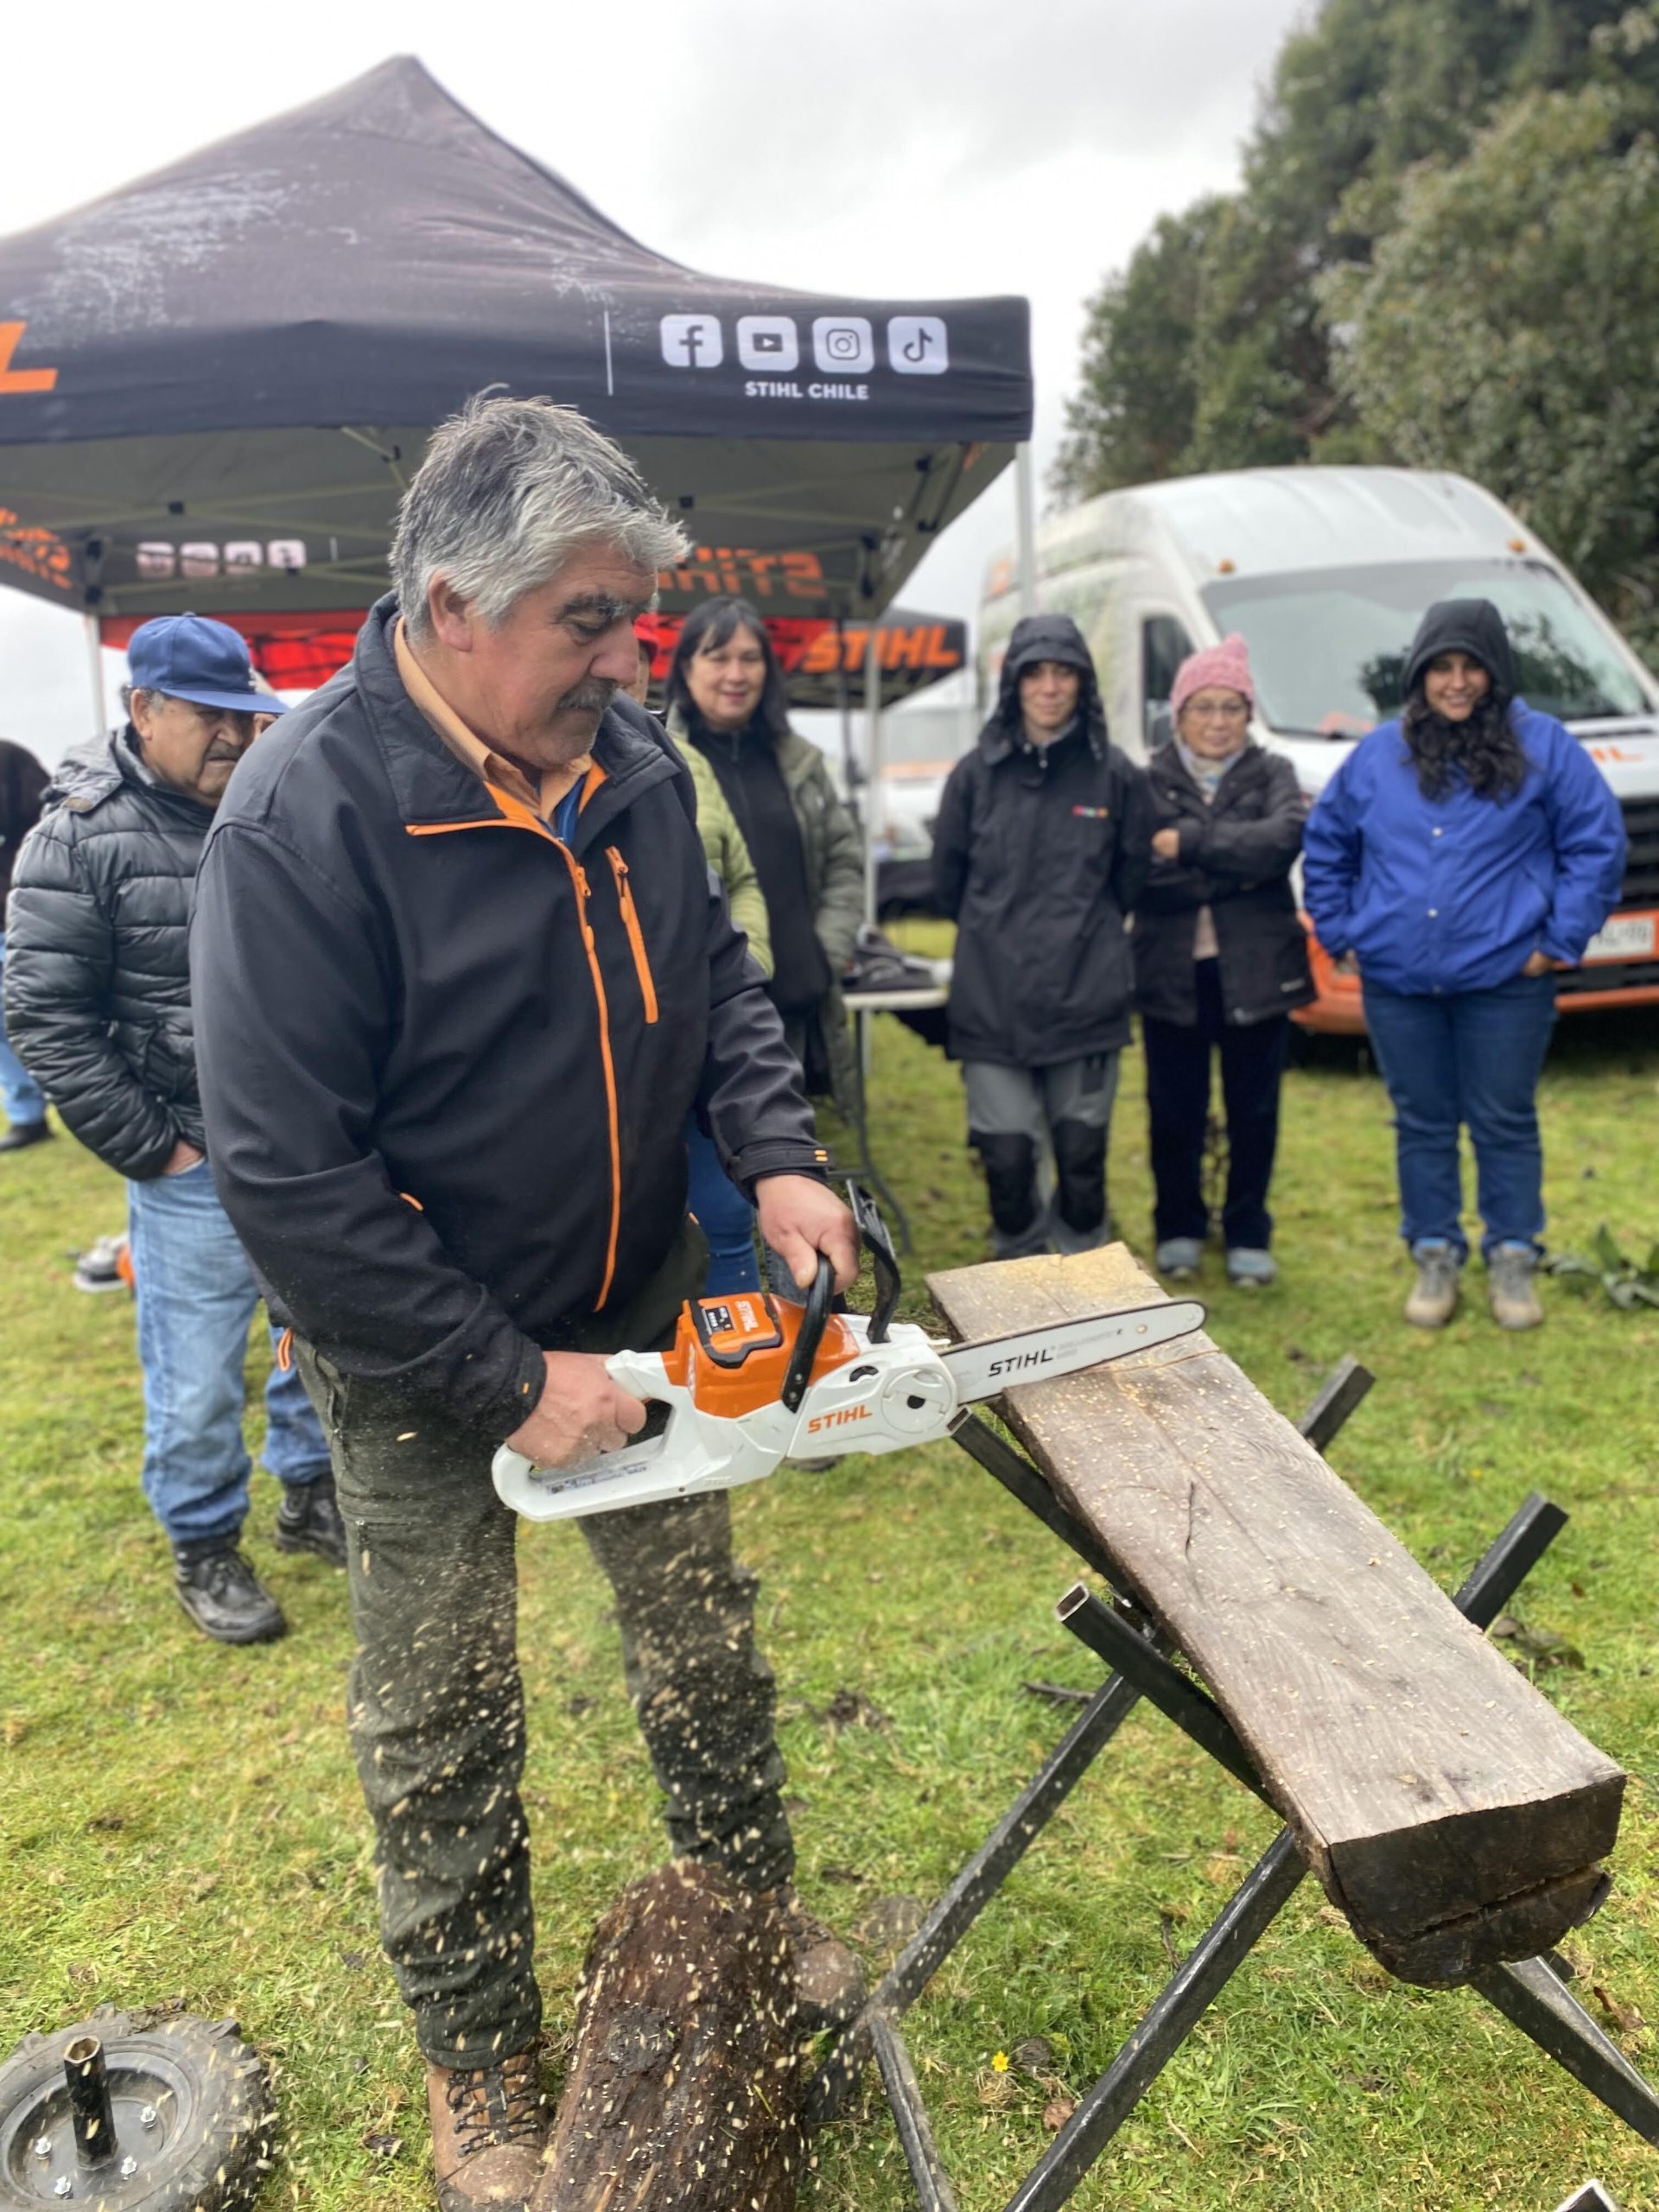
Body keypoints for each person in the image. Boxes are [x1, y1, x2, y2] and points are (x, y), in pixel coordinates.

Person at [188, 395, 862, 2212]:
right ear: (448, 603)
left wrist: (779, 1151)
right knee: (442, 1704)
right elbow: (287, 1176)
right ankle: (480, 2058)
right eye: (588, 618)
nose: (624, 654)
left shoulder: (629, 756)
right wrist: (506, 1377)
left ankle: (750, 1904)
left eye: (633, 618)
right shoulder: (299, 820)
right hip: (425, 1351)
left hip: (643, 1293)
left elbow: (718, 976)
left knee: (699, 1640)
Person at [3, 618, 338, 1643]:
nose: (235, 737)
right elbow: (44, 1017)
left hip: (305, 1150)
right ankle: (203, 1542)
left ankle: (309, 1492)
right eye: (209, 717)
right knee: (194, 1375)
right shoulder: (75, 836)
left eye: (244, 714)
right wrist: (158, 1148)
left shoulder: (279, 805)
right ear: (144, 709)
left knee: (315, 1343)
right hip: (188, 1163)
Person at [1304, 598, 1625, 1331]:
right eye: (1440, 667)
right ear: (1419, 676)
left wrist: (1557, 941)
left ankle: (1513, 1256)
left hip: (1507, 980)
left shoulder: (1546, 746)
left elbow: (1596, 846)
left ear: (1495, 672)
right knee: (1421, 1121)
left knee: (1504, 1120)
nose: (1456, 682)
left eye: (1470, 666)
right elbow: (1327, 844)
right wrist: (1342, 929)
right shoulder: (1377, 755)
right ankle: (1435, 1252)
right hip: (1398, 981)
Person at [932, 613, 1153, 1256]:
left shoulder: (1116, 775)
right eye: (1037, 673)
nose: (1051, 688)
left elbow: (1130, 877)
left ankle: (1085, 1274)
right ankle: (1018, 1265)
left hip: (1087, 998)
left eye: (1065, 673)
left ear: (1083, 684)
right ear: (1015, 684)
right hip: (991, 1001)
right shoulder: (973, 776)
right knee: (1005, 1157)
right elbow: (948, 884)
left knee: (1082, 1156)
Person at [1133, 634, 1313, 1287]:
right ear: (1178, 714)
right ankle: (1177, 1227)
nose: (1216, 721)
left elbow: (1280, 843)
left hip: (1258, 971)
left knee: (1254, 1112)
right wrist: (1234, 869)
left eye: (1230, 707)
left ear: (1247, 714)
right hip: (1168, 973)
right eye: (1202, 707)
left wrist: (1187, 844)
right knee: (1173, 1111)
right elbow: (1140, 872)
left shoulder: (1274, 774)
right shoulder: (1148, 779)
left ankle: (1247, 1232)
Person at [664, 598, 864, 1123]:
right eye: (718, 656)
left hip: (794, 1001)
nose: (736, 674)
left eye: (751, 659)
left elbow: (845, 860)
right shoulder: (661, 764)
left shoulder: (799, 761)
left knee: (787, 1153)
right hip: (710, 1012)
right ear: (686, 667)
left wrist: (830, 947)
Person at [630, 614, 777, 1294]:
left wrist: (746, 962)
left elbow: (733, 881)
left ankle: (737, 1356)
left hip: (698, 1029)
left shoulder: (681, 764)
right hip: (620, 1057)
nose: (627, 668)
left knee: (724, 1208)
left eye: (641, 655)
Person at [0, 735, 51, 1151]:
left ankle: (91, 1103)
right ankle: (27, 1116)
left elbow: (42, 821)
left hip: (18, 914)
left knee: (47, 1014)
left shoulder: (10, 758)